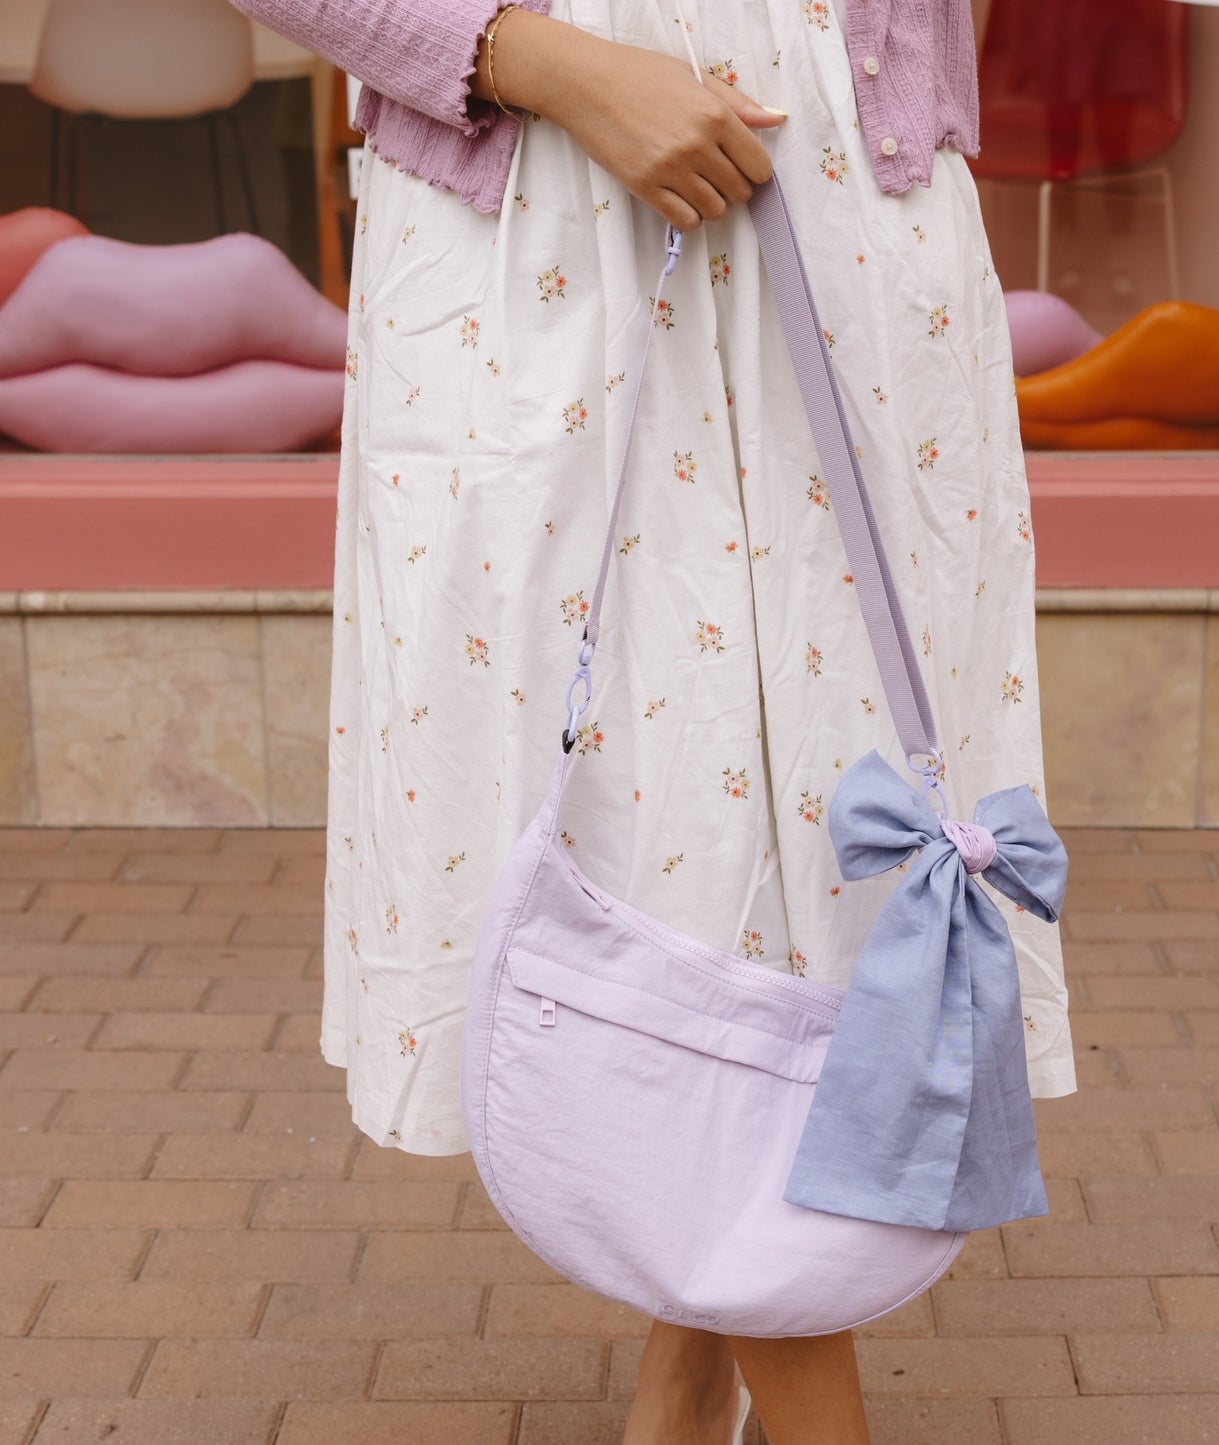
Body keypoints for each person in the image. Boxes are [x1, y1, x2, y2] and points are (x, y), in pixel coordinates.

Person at [229, 0, 1075, 1438]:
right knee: (636, 814)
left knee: (825, 823)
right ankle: (775, 1374)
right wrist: (551, 64)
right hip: (554, 201)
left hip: (849, 211)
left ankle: (692, 1364)